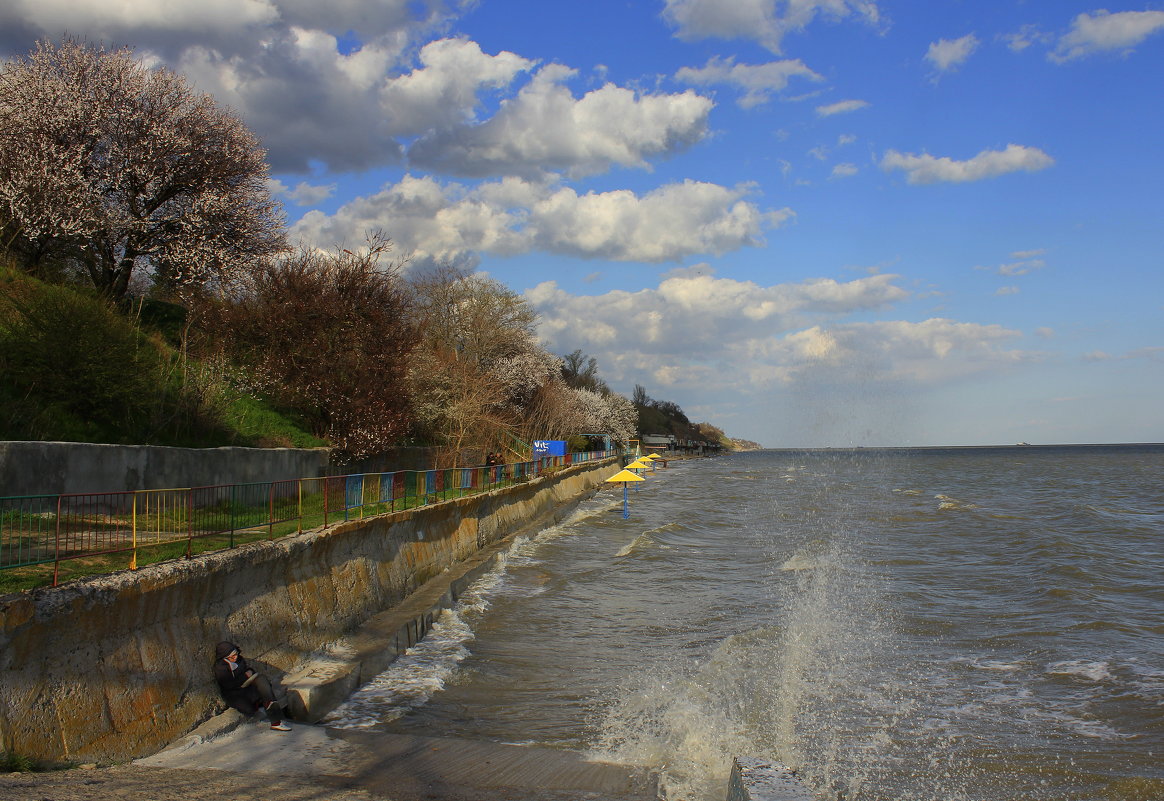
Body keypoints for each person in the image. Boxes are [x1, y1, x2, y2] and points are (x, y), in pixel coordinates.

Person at [213, 641, 291, 731]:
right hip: (235, 693)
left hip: (246, 686)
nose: (235, 657)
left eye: (236, 654)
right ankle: (264, 706)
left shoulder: (239, 660)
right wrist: (245, 676)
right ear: (225, 657)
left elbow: (248, 670)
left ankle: (276, 721)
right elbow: (228, 684)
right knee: (253, 703)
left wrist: (250, 674)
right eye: (232, 656)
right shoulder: (220, 667)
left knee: (262, 681)